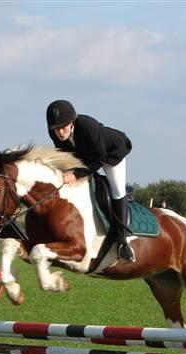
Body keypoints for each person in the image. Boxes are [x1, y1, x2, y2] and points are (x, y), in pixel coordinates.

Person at [45, 99, 135, 262]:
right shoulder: (55, 133)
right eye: (56, 129)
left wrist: (76, 175)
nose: (60, 132)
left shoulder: (88, 127)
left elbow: (98, 160)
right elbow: (65, 155)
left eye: (63, 127)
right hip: (85, 156)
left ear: (71, 122)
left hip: (110, 154)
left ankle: (122, 242)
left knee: (117, 190)